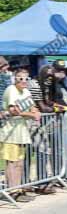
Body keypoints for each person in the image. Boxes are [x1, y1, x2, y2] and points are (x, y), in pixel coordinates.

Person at [1, 69, 40, 202]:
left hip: (21, 132)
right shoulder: (11, 90)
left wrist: (35, 111)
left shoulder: (27, 91)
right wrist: (31, 115)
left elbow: (32, 106)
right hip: (9, 132)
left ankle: (18, 189)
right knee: (12, 163)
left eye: (25, 79)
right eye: (20, 78)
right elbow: (13, 111)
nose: (23, 81)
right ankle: (12, 191)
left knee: (19, 162)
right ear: (15, 79)